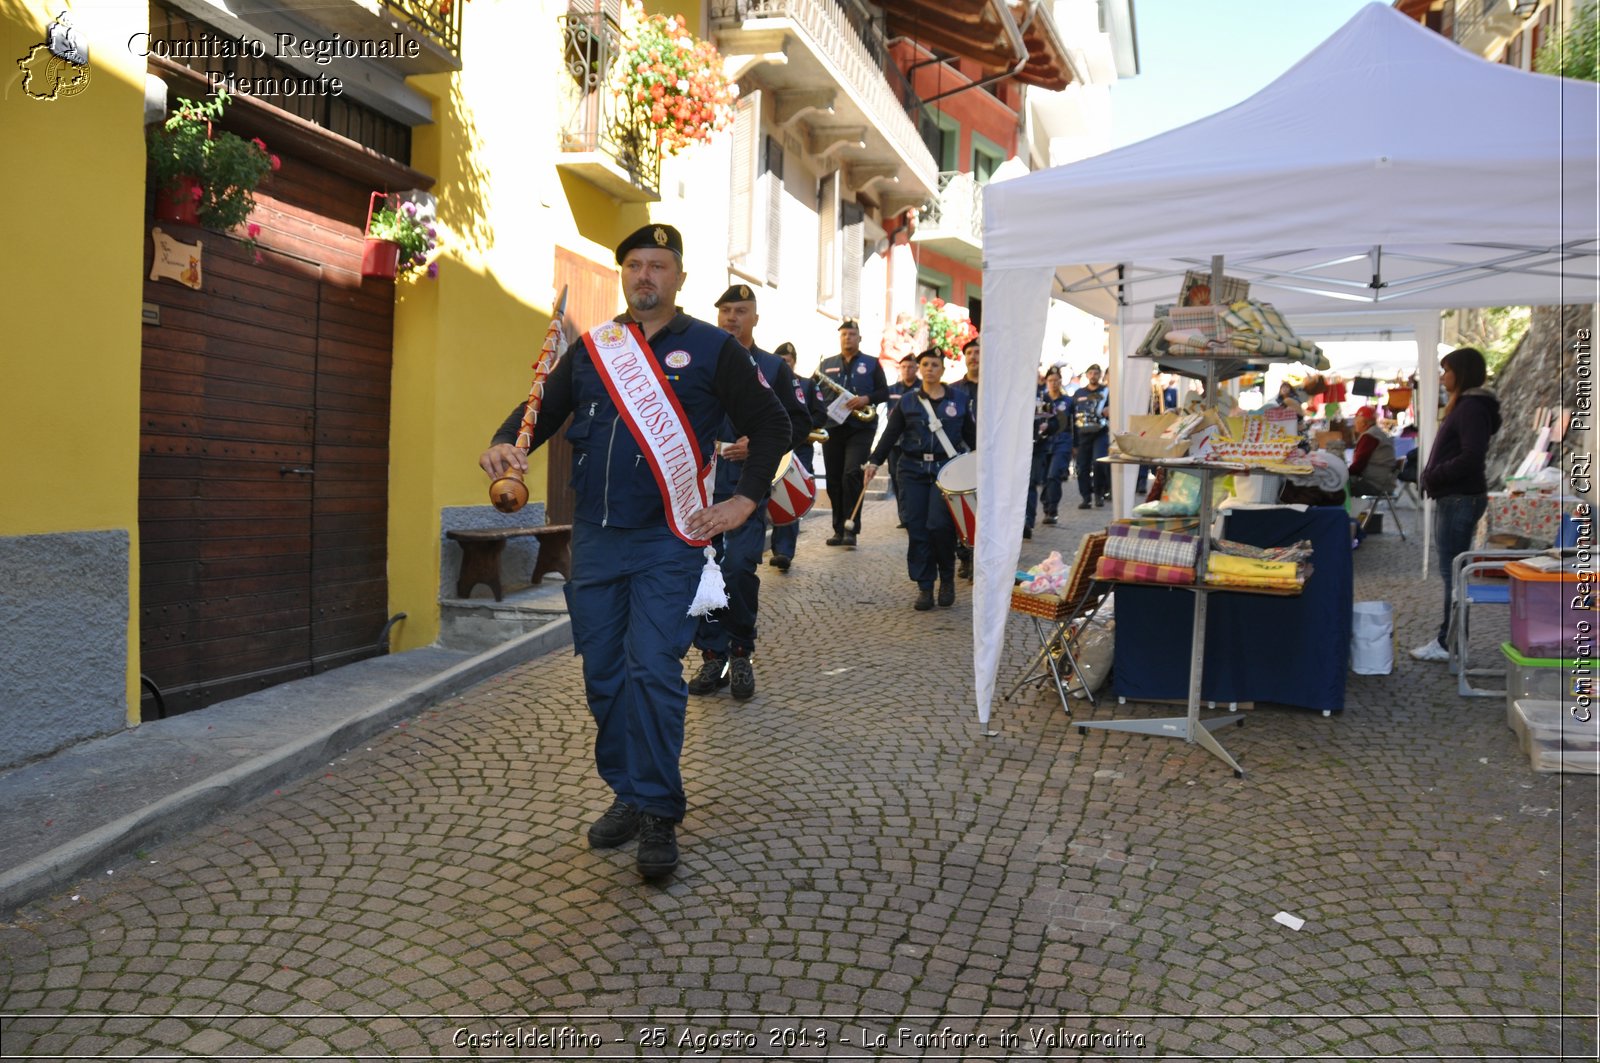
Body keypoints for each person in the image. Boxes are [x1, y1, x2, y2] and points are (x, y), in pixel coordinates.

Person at [479, 224, 788, 881]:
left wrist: (745, 500)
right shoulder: (596, 348)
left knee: (651, 667)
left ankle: (657, 811)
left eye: (660, 265)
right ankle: (629, 786)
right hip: (594, 536)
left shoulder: (711, 349)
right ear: (624, 275)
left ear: (679, 277)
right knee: (604, 674)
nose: (646, 275)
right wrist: (506, 442)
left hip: (667, 538)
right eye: (636, 266)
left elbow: (772, 425)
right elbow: (541, 410)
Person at [686, 285, 813, 701]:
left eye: (741, 311)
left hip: (745, 488)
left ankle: (740, 651)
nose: (731, 318)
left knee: (739, 568)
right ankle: (711, 656)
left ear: (755, 318)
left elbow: (797, 423)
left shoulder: (774, 367)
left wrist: (758, 445)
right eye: (725, 311)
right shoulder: (699, 360)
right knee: (701, 573)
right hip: (698, 486)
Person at [863, 348, 977, 610]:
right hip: (912, 470)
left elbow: (973, 439)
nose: (929, 369)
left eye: (935, 365)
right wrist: (874, 462)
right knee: (917, 528)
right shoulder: (908, 402)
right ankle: (925, 586)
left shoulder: (959, 400)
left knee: (939, 527)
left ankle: (946, 579)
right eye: (925, 364)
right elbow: (890, 435)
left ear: (943, 370)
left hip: (946, 472)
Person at [1411, 347, 1501, 663]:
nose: (1441, 376)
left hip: (1459, 497)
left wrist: (1434, 474)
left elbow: (1470, 456)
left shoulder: (1471, 408)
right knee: (1453, 572)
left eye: (1446, 370)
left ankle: (1448, 643)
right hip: (1457, 496)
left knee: (1453, 574)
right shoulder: (1466, 405)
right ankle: (1451, 641)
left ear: (1460, 373)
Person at [815, 319, 888, 546]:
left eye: (852, 334)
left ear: (860, 338)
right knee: (834, 479)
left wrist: (866, 399)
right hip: (833, 427)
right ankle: (838, 529)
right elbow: (813, 392)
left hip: (861, 428)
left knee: (851, 474)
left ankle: (851, 529)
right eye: (844, 334)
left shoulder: (872, 363)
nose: (848, 338)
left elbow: (885, 391)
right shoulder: (826, 365)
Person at [768, 341, 825, 573]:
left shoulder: (808, 385)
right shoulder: (764, 381)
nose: (784, 364)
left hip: (797, 449)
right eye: (780, 361)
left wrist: (794, 429)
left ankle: (783, 551)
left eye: (788, 361)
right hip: (770, 447)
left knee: (788, 498)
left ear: (794, 362)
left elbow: (821, 415)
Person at [1024, 366, 1071, 538]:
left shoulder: (1042, 397)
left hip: (1040, 447)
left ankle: (1028, 521)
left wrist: (1047, 427)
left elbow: (1056, 424)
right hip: (1018, 448)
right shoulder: (1015, 395)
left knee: (1034, 482)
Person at [950, 335, 980, 578]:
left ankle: (982, 556)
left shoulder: (994, 388)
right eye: (969, 353)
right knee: (963, 507)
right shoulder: (954, 390)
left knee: (984, 507)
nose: (974, 357)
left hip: (989, 454)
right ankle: (965, 557)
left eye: (978, 352)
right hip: (962, 454)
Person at [1070, 363, 1111, 508]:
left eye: (1096, 373)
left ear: (1100, 375)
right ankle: (1086, 497)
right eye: (1091, 373)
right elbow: (1072, 417)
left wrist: (1109, 410)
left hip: (1100, 433)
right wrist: (1073, 442)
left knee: (1099, 462)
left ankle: (1099, 494)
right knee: (1082, 467)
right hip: (1082, 435)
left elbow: (1115, 411)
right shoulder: (1079, 393)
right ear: (1087, 375)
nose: (1093, 376)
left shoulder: (1107, 392)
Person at [884, 353, 919, 514]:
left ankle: (912, 512)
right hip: (895, 440)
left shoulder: (922, 388)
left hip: (914, 439)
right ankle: (903, 514)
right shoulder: (892, 389)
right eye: (903, 367)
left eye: (910, 367)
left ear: (916, 368)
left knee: (911, 475)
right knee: (894, 474)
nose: (907, 370)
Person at [1347, 404, 1398, 498]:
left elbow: (1358, 466)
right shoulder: (1376, 433)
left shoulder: (1370, 436)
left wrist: (1343, 472)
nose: (1354, 423)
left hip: (1375, 485)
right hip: (1384, 482)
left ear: (1363, 422)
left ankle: (1345, 512)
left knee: (1337, 488)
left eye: (1356, 420)